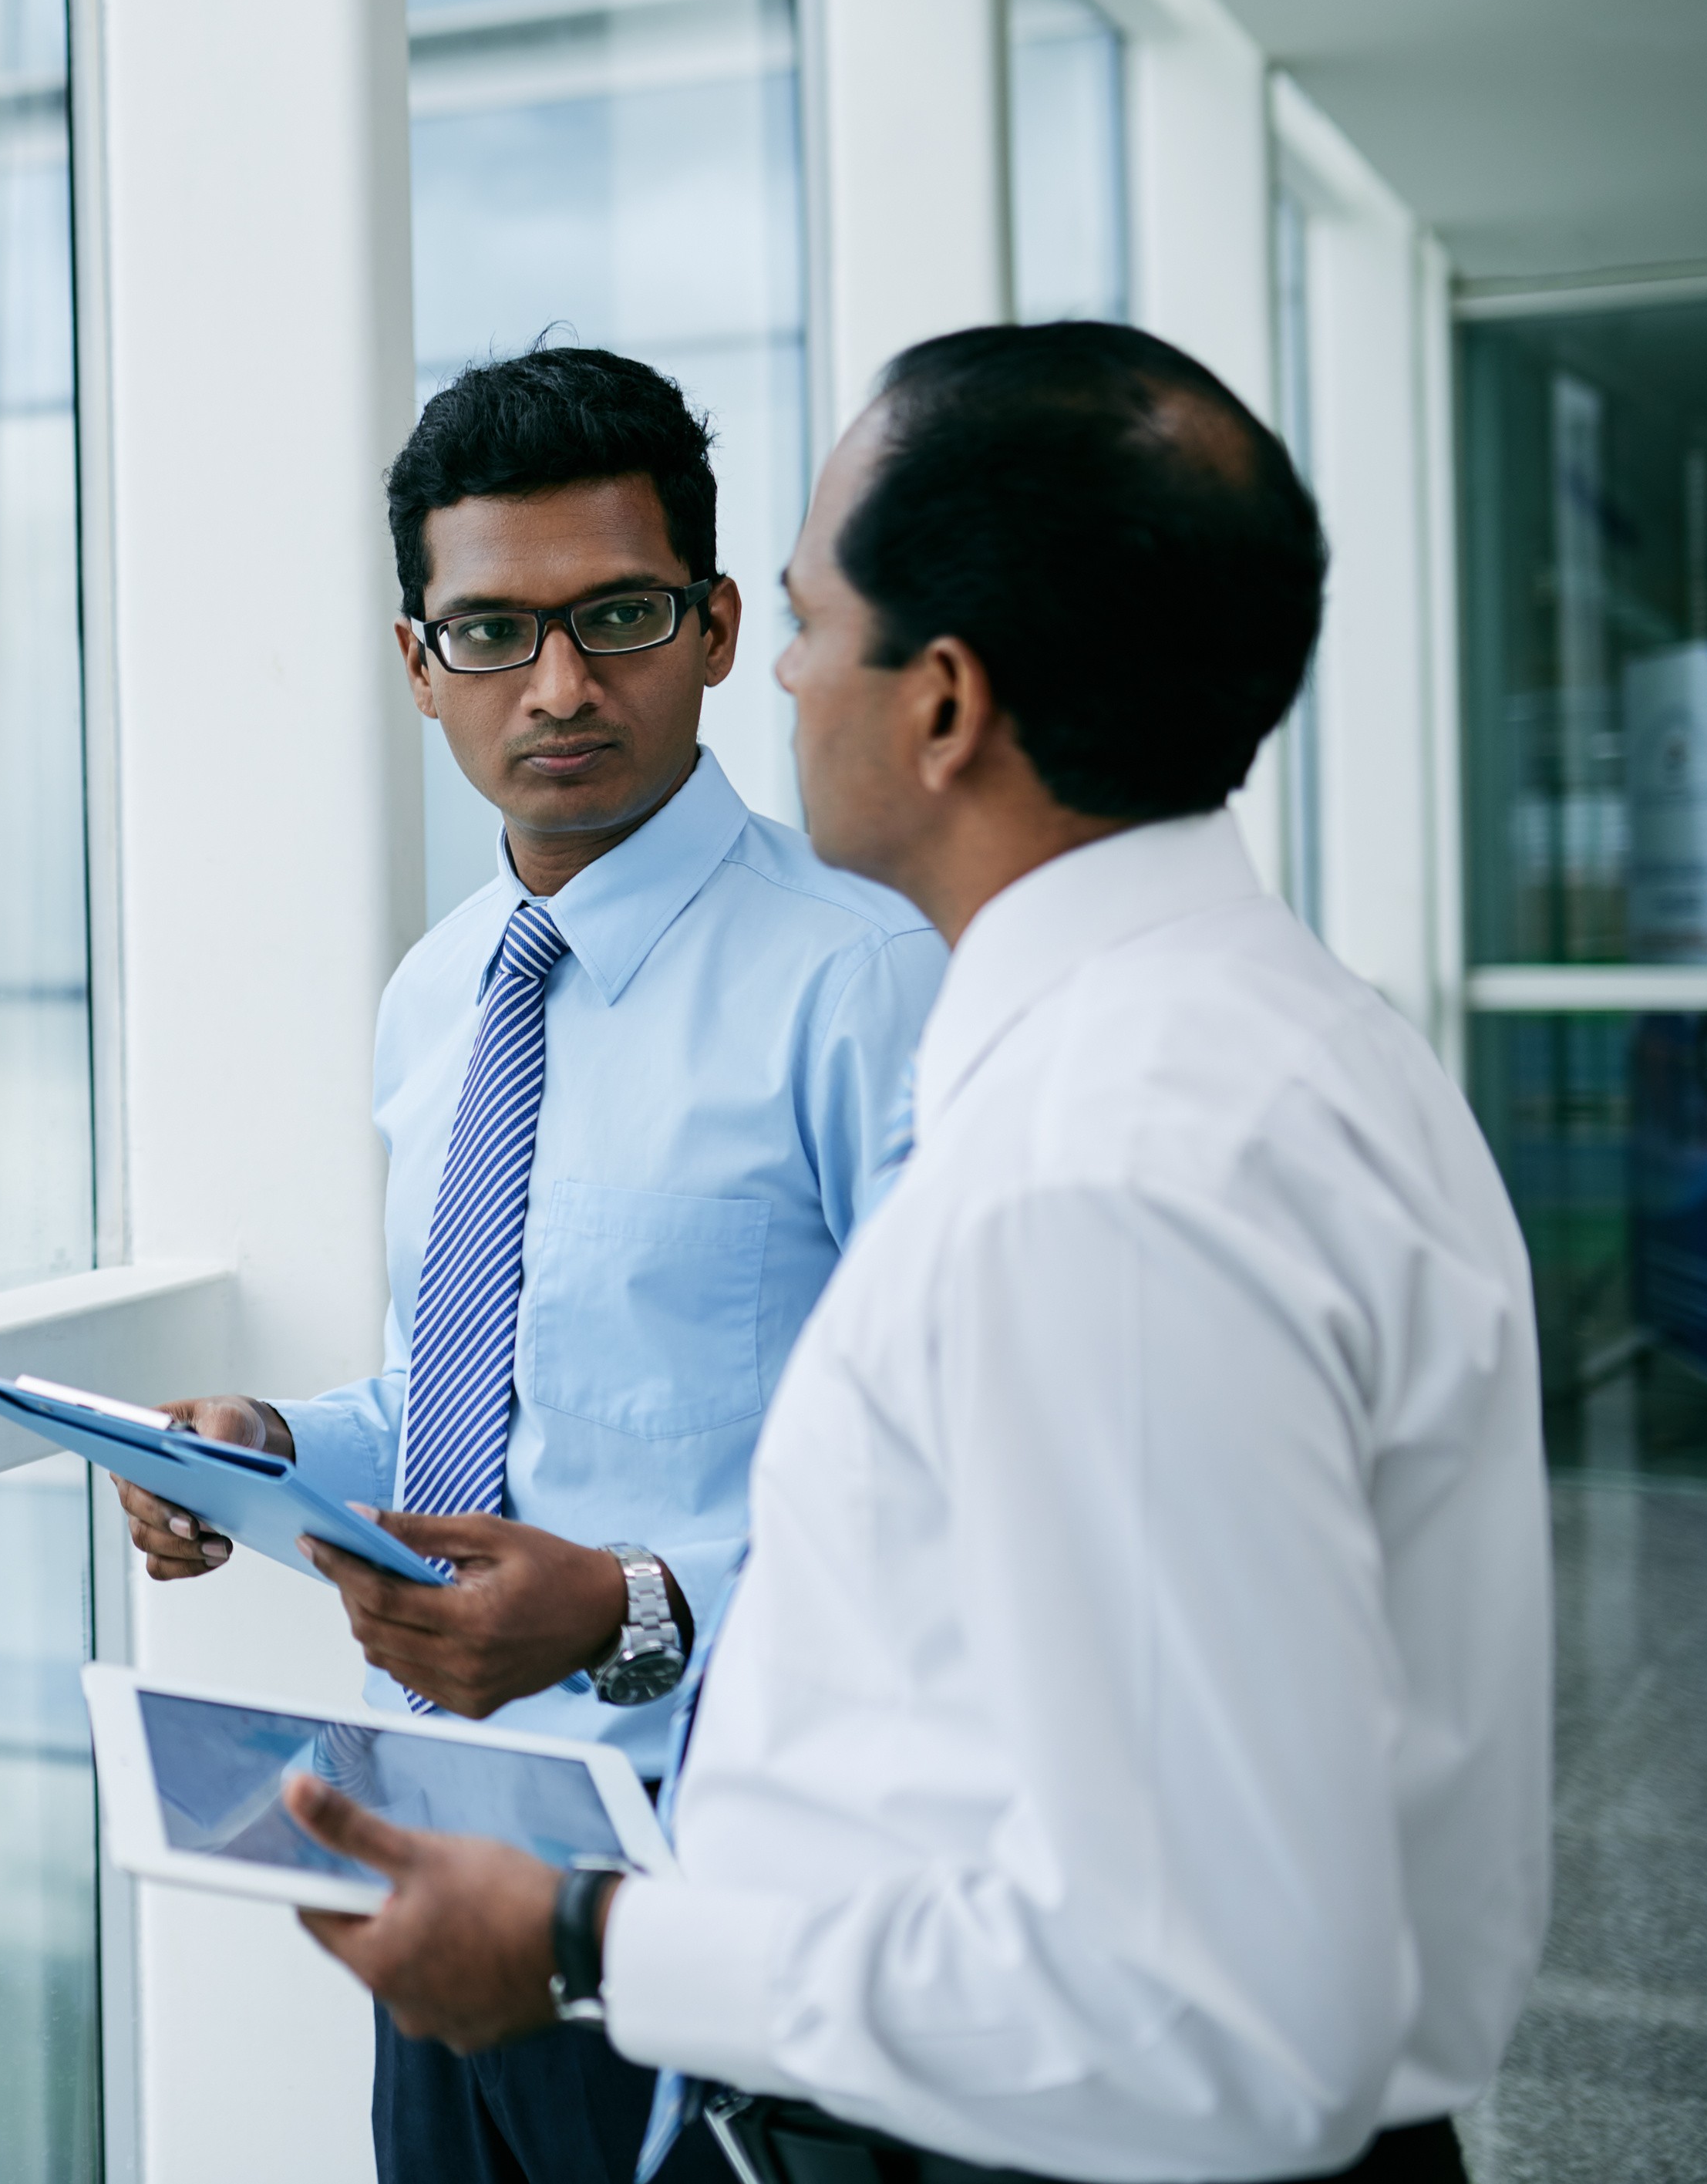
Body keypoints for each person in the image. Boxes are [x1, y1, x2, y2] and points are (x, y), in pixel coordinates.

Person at [284, 322, 1550, 2184]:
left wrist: (587, 1944)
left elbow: (1222, 2007)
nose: (782, 675)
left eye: (798, 618)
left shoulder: (1097, 1174)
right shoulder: (1251, 1046)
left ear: (940, 703)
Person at [118, 346, 944, 2184]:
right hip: (443, 1856)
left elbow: (962, 1496)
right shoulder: (441, 989)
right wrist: (267, 1445)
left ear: (719, 626)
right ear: (417, 665)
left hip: (717, 1882)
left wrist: (636, 1605)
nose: (559, 687)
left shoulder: (862, 978)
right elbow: (462, 1395)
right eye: (490, 632)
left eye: (619, 617)